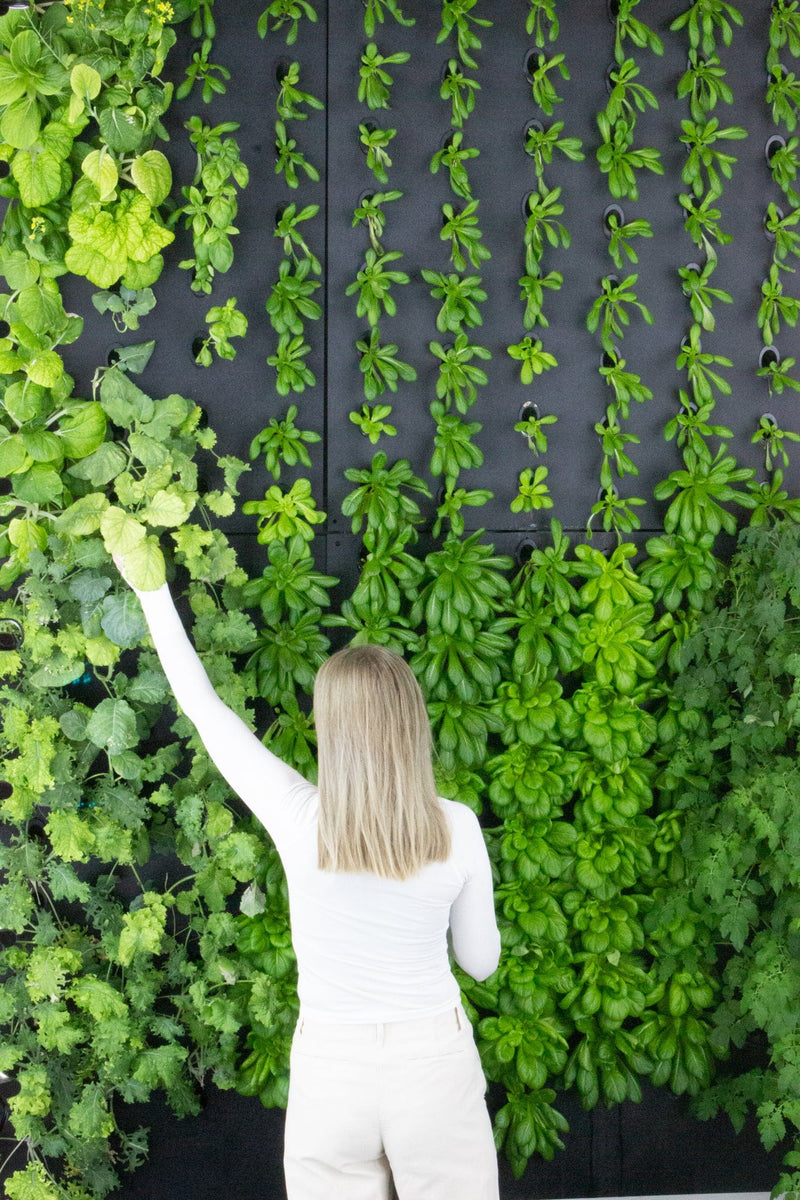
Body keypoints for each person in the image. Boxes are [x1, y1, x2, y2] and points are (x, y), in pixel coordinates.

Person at [118, 562, 502, 1200]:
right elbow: (481, 964)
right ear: (411, 722)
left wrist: (152, 590)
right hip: (431, 1066)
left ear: (330, 728)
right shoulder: (456, 827)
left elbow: (205, 711)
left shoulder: (299, 817)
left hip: (332, 1070)